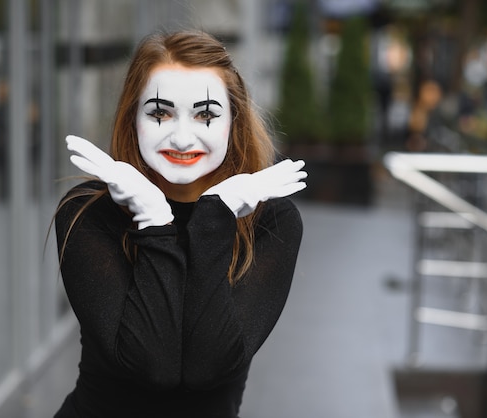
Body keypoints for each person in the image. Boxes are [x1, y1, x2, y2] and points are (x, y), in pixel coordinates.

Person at [53, 30, 307, 417]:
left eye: (205, 114)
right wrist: (153, 218)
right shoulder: (89, 211)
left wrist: (214, 215)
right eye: (160, 113)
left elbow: (209, 368)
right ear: (133, 117)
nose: (183, 138)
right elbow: (154, 366)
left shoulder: (272, 221)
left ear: (233, 120)